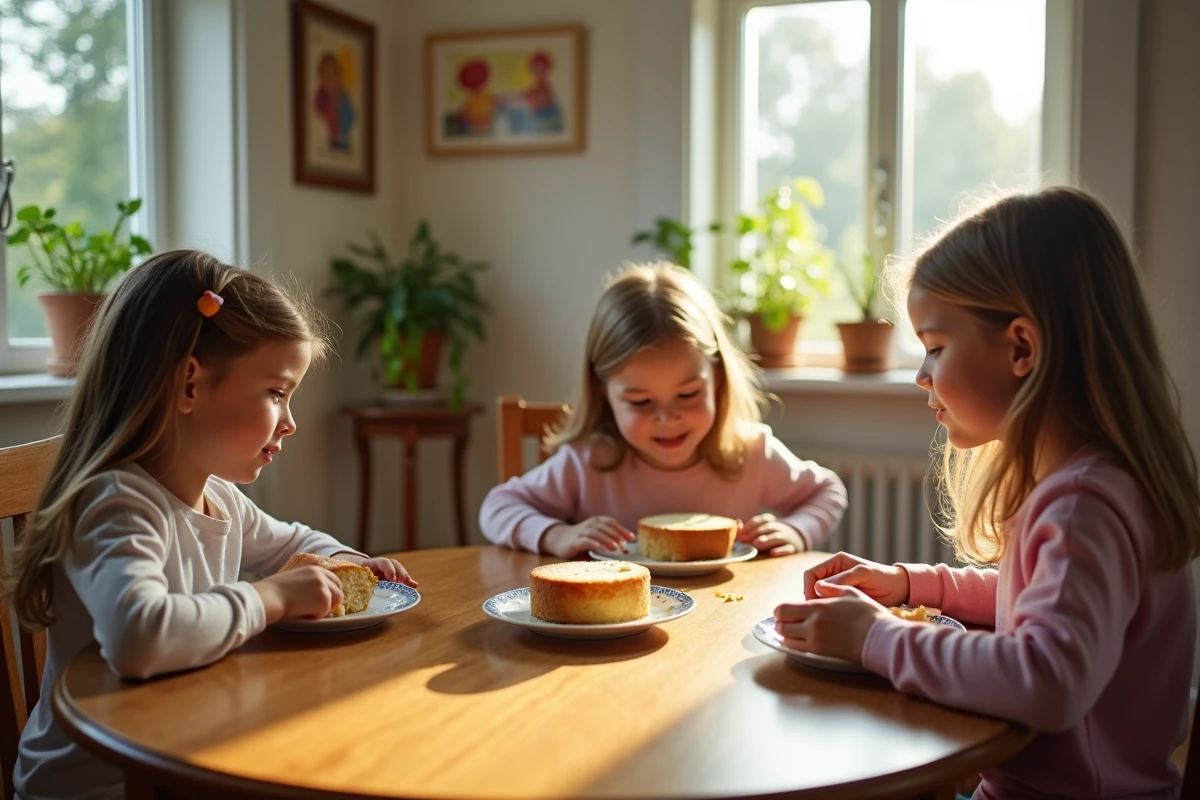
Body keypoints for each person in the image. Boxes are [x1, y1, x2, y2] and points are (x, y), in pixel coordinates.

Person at [775, 187, 1199, 799]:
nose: (921, 375)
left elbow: (1046, 680)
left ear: (1022, 347)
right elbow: (1031, 601)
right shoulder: (1095, 482)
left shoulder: (1082, 505)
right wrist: (912, 585)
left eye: (936, 348)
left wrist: (874, 637)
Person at [7, 250, 417, 800]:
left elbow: (296, 542)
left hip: (182, 760)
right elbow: (138, 637)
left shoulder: (219, 498)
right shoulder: (114, 504)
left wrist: (348, 563)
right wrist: (271, 597)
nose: (290, 423)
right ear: (189, 384)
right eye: (277, 393)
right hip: (100, 787)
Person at [479, 262, 846, 558]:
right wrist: (557, 535)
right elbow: (497, 506)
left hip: (724, 619)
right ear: (603, 392)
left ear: (717, 379)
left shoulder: (750, 453)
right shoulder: (589, 462)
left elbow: (828, 491)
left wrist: (796, 530)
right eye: (641, 402)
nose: (668, 418)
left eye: (688, 394)